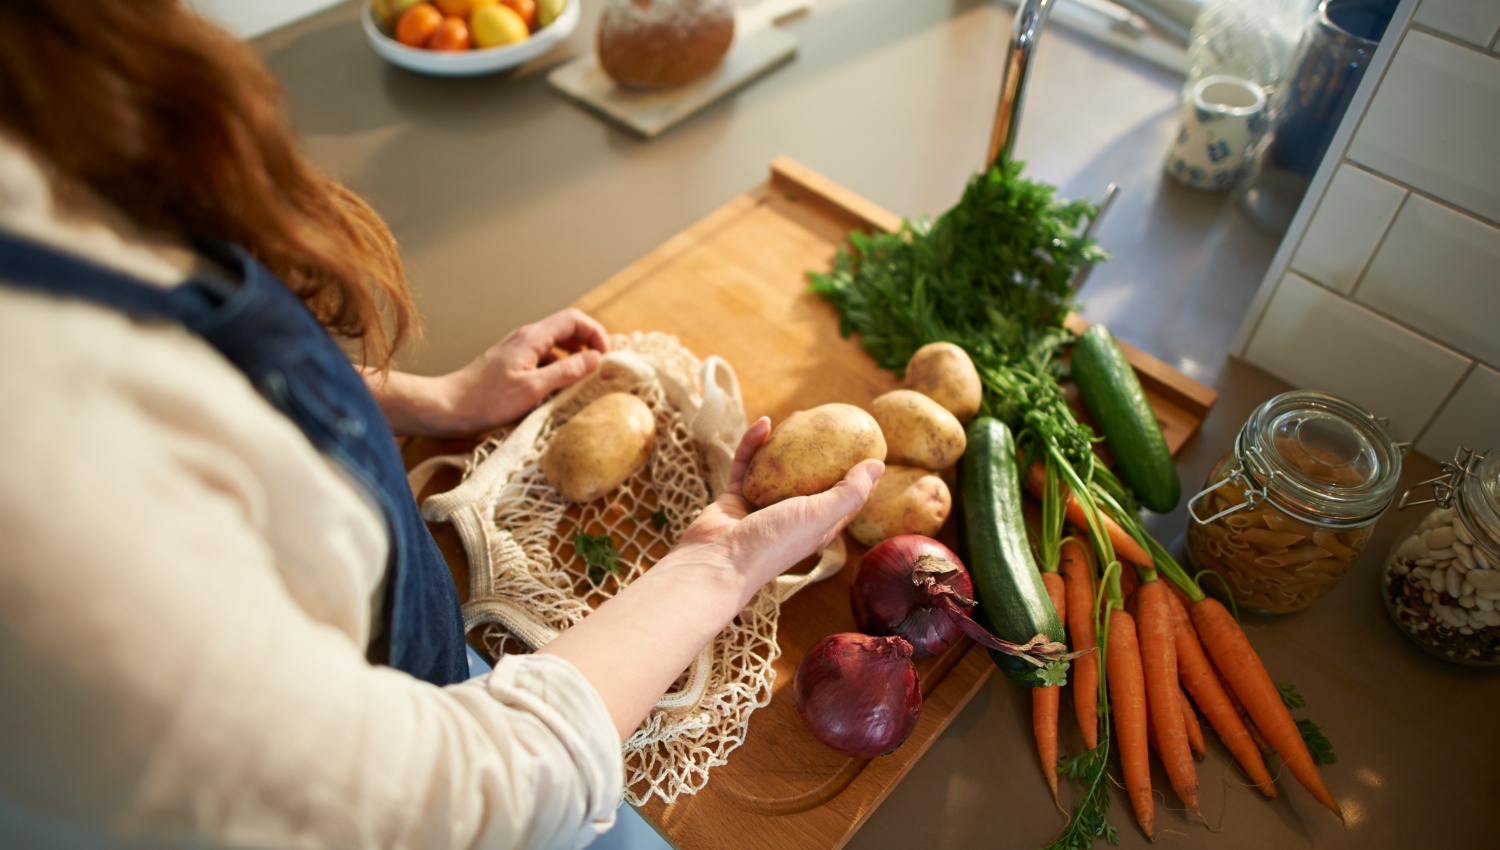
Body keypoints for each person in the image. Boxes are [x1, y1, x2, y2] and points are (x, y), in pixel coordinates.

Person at [0, 4, 883, 849]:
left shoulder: (51, 92)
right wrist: (718, 561)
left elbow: (187, 371)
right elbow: (466, 800)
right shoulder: (46, 508)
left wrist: (431, 400)